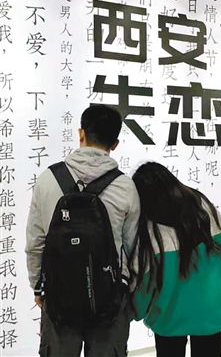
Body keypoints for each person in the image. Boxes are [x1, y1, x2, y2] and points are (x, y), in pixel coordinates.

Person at [25, 105, 140, 357]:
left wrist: (38, 286)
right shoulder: (125, 187)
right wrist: (128, 296)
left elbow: (35, 242)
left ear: (81, 133)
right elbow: (132, 249)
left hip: (59, 294)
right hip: (110, 300)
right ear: (115, 144)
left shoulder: (48, 179)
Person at [130, 162, 221, 357]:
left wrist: (136, 312)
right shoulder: (203, 207)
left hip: (169, 318)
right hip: (212, 311)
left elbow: (143, 288)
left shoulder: (150, 231)